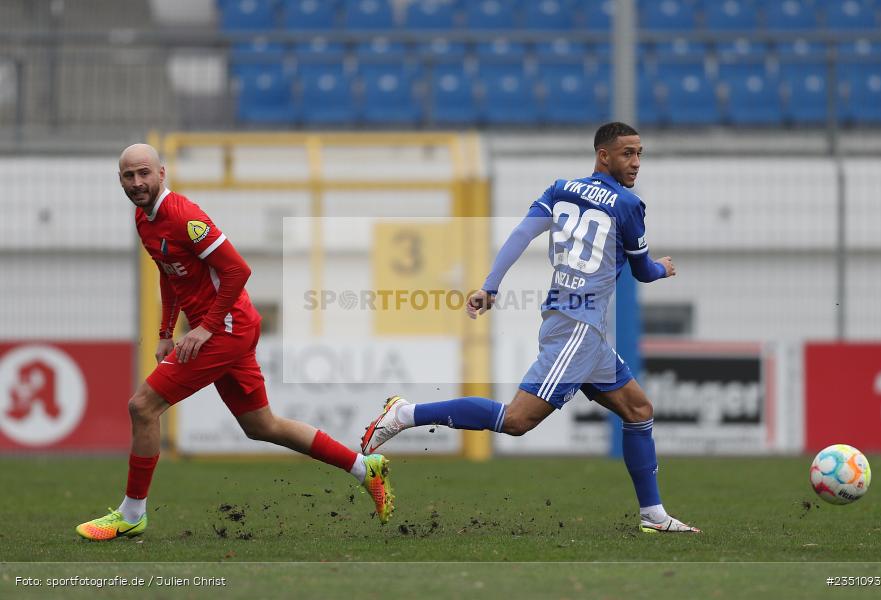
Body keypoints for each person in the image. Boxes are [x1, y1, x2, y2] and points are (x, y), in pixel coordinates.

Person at [361, 122, 698, 533]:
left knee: (639, 409)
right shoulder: (629, 205)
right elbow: (643, 271)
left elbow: (521, 235)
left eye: (640, 153)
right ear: (603, 155)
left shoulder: (559, 189)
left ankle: (653, 515)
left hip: (570, 323)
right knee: (517, 420)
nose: (636, 163)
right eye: (628, 153)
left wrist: (490, 286)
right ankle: (405, 414)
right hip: (578, 328)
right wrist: (663, 269)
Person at [76, 144, 394, 541]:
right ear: (119, 179)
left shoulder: (183, 216)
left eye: (144, 173)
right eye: (128, 176)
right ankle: (365, 468)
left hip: (225, 328)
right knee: (262, 425)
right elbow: (169, 273)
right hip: (230, 328)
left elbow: (238, 270)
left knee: (142, 407)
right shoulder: (144, 218)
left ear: (162, 172)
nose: (137, 183)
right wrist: (165, 332)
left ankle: (132, 513)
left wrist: (205, 328)